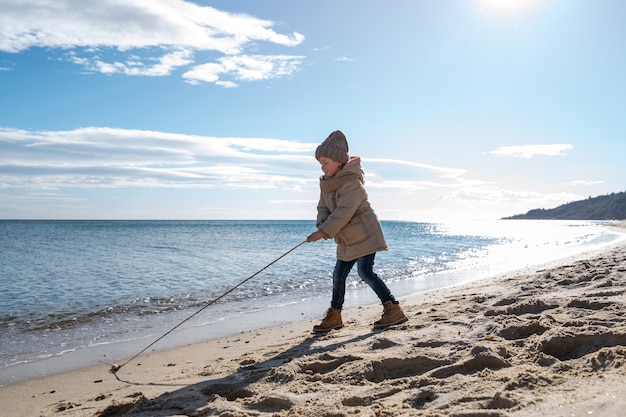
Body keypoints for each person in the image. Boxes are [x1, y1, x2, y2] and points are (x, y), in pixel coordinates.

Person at [306, 130, 408, 332]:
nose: (323, 167)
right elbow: (323, 208)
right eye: (321, 163)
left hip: (365, 234)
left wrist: (324, 232)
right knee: (338, 275)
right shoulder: (327, 185)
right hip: (347, 238)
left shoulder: (352, 183)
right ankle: (335, 315)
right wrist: (321, 224)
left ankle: (393, 309)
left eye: (326, 162)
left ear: (338, 161)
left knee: (365, 271)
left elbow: (343, 212)